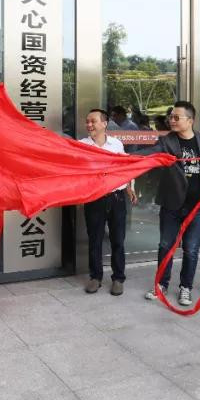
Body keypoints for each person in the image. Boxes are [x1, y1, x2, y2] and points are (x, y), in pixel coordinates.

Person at [142, 101, 200, 306]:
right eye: (171, 117)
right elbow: (148, 155)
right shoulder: (166, 141)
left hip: (196, 207)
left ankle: (185, 287)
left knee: (191, 249)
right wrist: (124, 157)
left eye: (176, 117)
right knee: (165, 246)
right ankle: (161, 284)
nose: (172, 120)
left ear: (190, 120)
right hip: (171, 204)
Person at [79, 109, 137, 295]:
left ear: (104, 124)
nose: (89, 125)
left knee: (117, 240)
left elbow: (125, 167)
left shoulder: (116, 144)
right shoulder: (81, 146)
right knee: (95, 240)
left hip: (116, 197)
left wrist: (130, 187)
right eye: (87, 121)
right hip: (94, 198)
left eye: (93, 121)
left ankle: (118, 278)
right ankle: (95, 277)